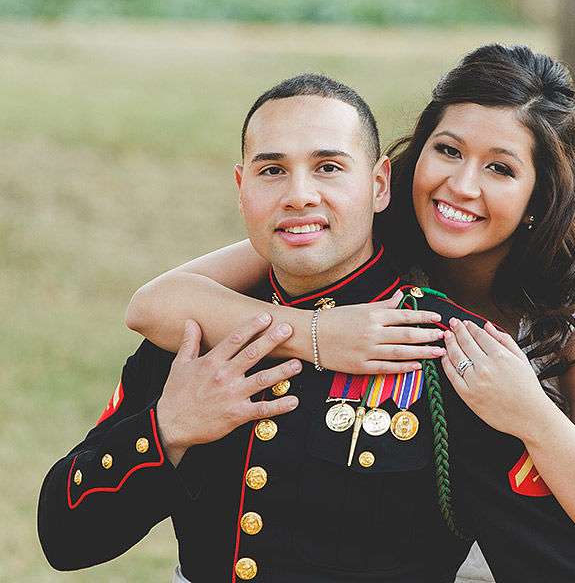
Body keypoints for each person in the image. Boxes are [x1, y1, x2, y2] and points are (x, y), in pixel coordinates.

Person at [126, 44, 575, 581]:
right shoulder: (356, 240)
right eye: (449, 151)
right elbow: (153, 305)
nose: (461, 185)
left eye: (500, 169)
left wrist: (529, 413)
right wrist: (318, 332)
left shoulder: (571, 325)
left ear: (538, 195)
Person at [38, 74, 473, 582]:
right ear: (242, 190)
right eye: (272, 170)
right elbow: (64, 537)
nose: (298, 195)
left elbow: (537, 549)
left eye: (328, 167)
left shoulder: (443, 344)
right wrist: (169, 429)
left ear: (379, 186)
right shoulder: (196, 337)